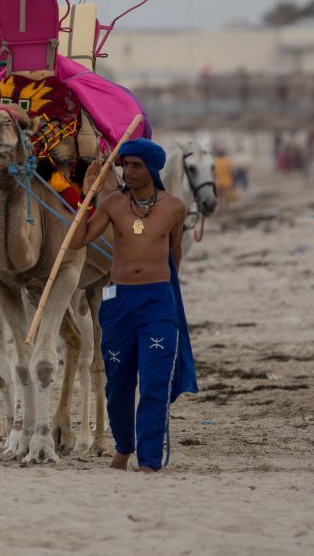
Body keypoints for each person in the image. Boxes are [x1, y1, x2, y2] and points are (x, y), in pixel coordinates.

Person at [70, 138, 198, 473]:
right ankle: (124, 447)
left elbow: (174, 256)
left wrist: (164, 294)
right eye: (124, 165)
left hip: (157, 303)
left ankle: (150, 460)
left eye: (135, 165)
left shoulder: (175, 208)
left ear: (153, 168)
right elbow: (77, 241)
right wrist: (85, 197)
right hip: (120, 302)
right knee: (118, 384)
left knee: (154, 382)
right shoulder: (112, 203)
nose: (127, 171)